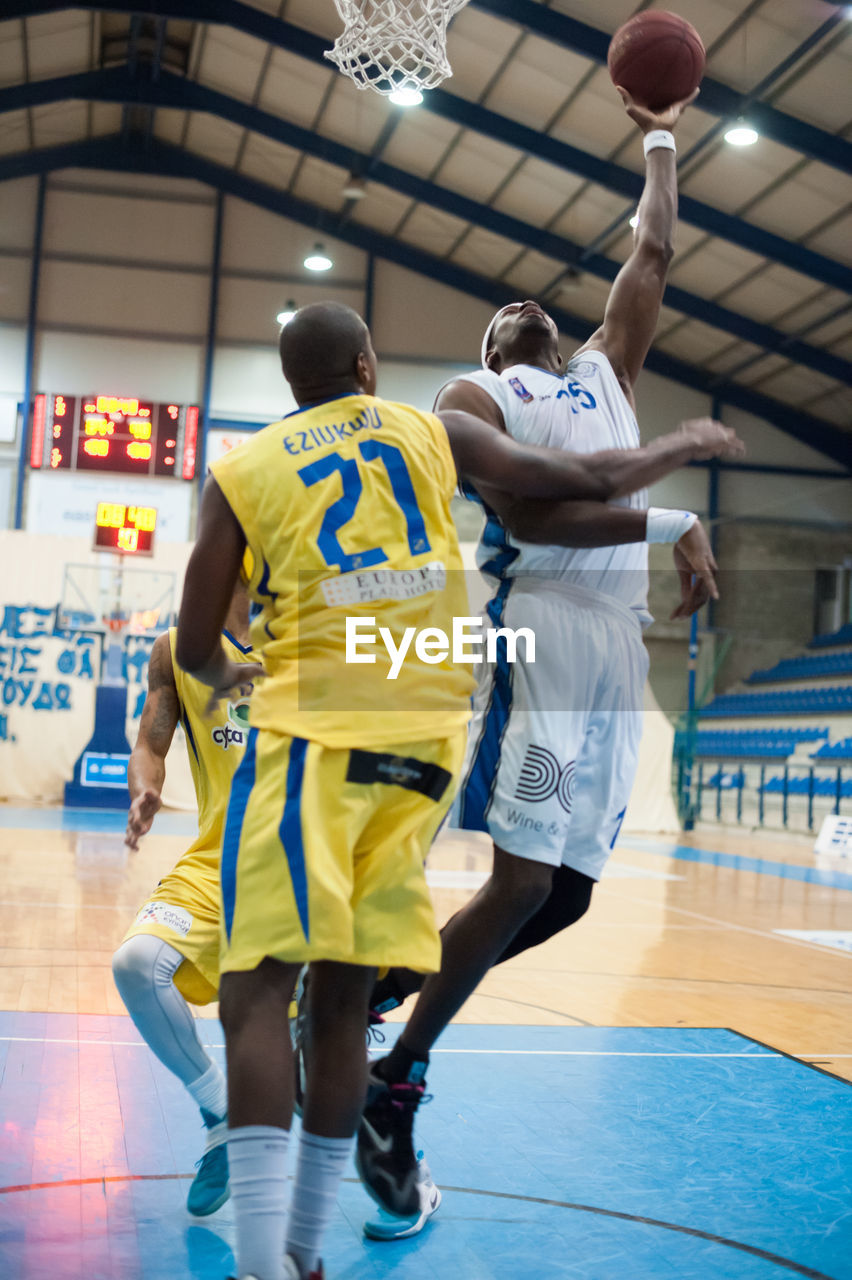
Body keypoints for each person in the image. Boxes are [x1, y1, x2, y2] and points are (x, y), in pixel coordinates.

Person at [173, 300, 738, 1280]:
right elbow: (557, 488)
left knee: (265, 978)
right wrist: (684, 466)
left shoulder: (250, 465)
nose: (522, 315)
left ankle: (274, 1247)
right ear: (369, 362)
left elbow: (193, 647)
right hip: (446, 720)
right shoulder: (443, 419)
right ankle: (334, 1187)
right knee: (423, 941)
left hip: (325, 720)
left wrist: (240, 681)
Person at [355, 87, 738, 1217]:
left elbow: (655, 245)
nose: (521, 304)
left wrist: (660, 129)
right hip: (545, 642)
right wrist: (673, 518)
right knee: (520, 876)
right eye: (500, 309)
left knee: (564, 897)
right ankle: (398, 1076)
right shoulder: (477, 392)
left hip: (620, 655)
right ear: (489, 348)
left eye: (536, 302)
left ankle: (378, 994)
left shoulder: (610, 374)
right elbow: (528, 521)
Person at [112, 580, 261, 1216]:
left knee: (316, 1072)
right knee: (137, 965)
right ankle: (221, 1114)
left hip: (310, 867)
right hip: (219, 864)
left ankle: (399, 1167)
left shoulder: (320, 639)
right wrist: (144, 788)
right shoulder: (175, 651)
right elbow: (150, 744)